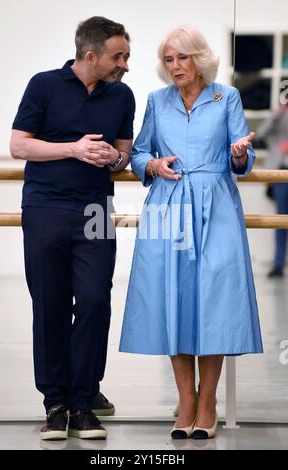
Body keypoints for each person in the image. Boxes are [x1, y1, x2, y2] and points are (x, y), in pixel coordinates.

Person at [119, 25, 263, 440]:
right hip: (168, 202)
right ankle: (185, 399)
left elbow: (244, 152)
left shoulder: (226, 97)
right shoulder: (157, 100)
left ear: (199, 59)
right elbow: (141, 149)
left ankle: (208, 401)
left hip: (216, 203)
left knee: (213, 301)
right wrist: (151, 165)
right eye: (168, 59)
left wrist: (239, 155)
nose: (175, 66)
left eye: (182, 57)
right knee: (172, 298)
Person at [10, 16, 135, 440]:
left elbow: (124, 153)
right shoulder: (43, 85)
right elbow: (19, 145)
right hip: (45, 207)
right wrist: (75, 149)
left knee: (97, 301)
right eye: (119, 56)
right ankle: (56, 404)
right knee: (50, 303)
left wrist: (112, 160)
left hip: (96, 209)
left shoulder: (122, 96)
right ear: (90, 55)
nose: (124, 64)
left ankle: (84, 402)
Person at [256, 104, 288, 278]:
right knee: (280, 220)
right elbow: (260, 133)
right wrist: (278, 112)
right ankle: (278, 264)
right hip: (280, 171)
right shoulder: (280, 113)